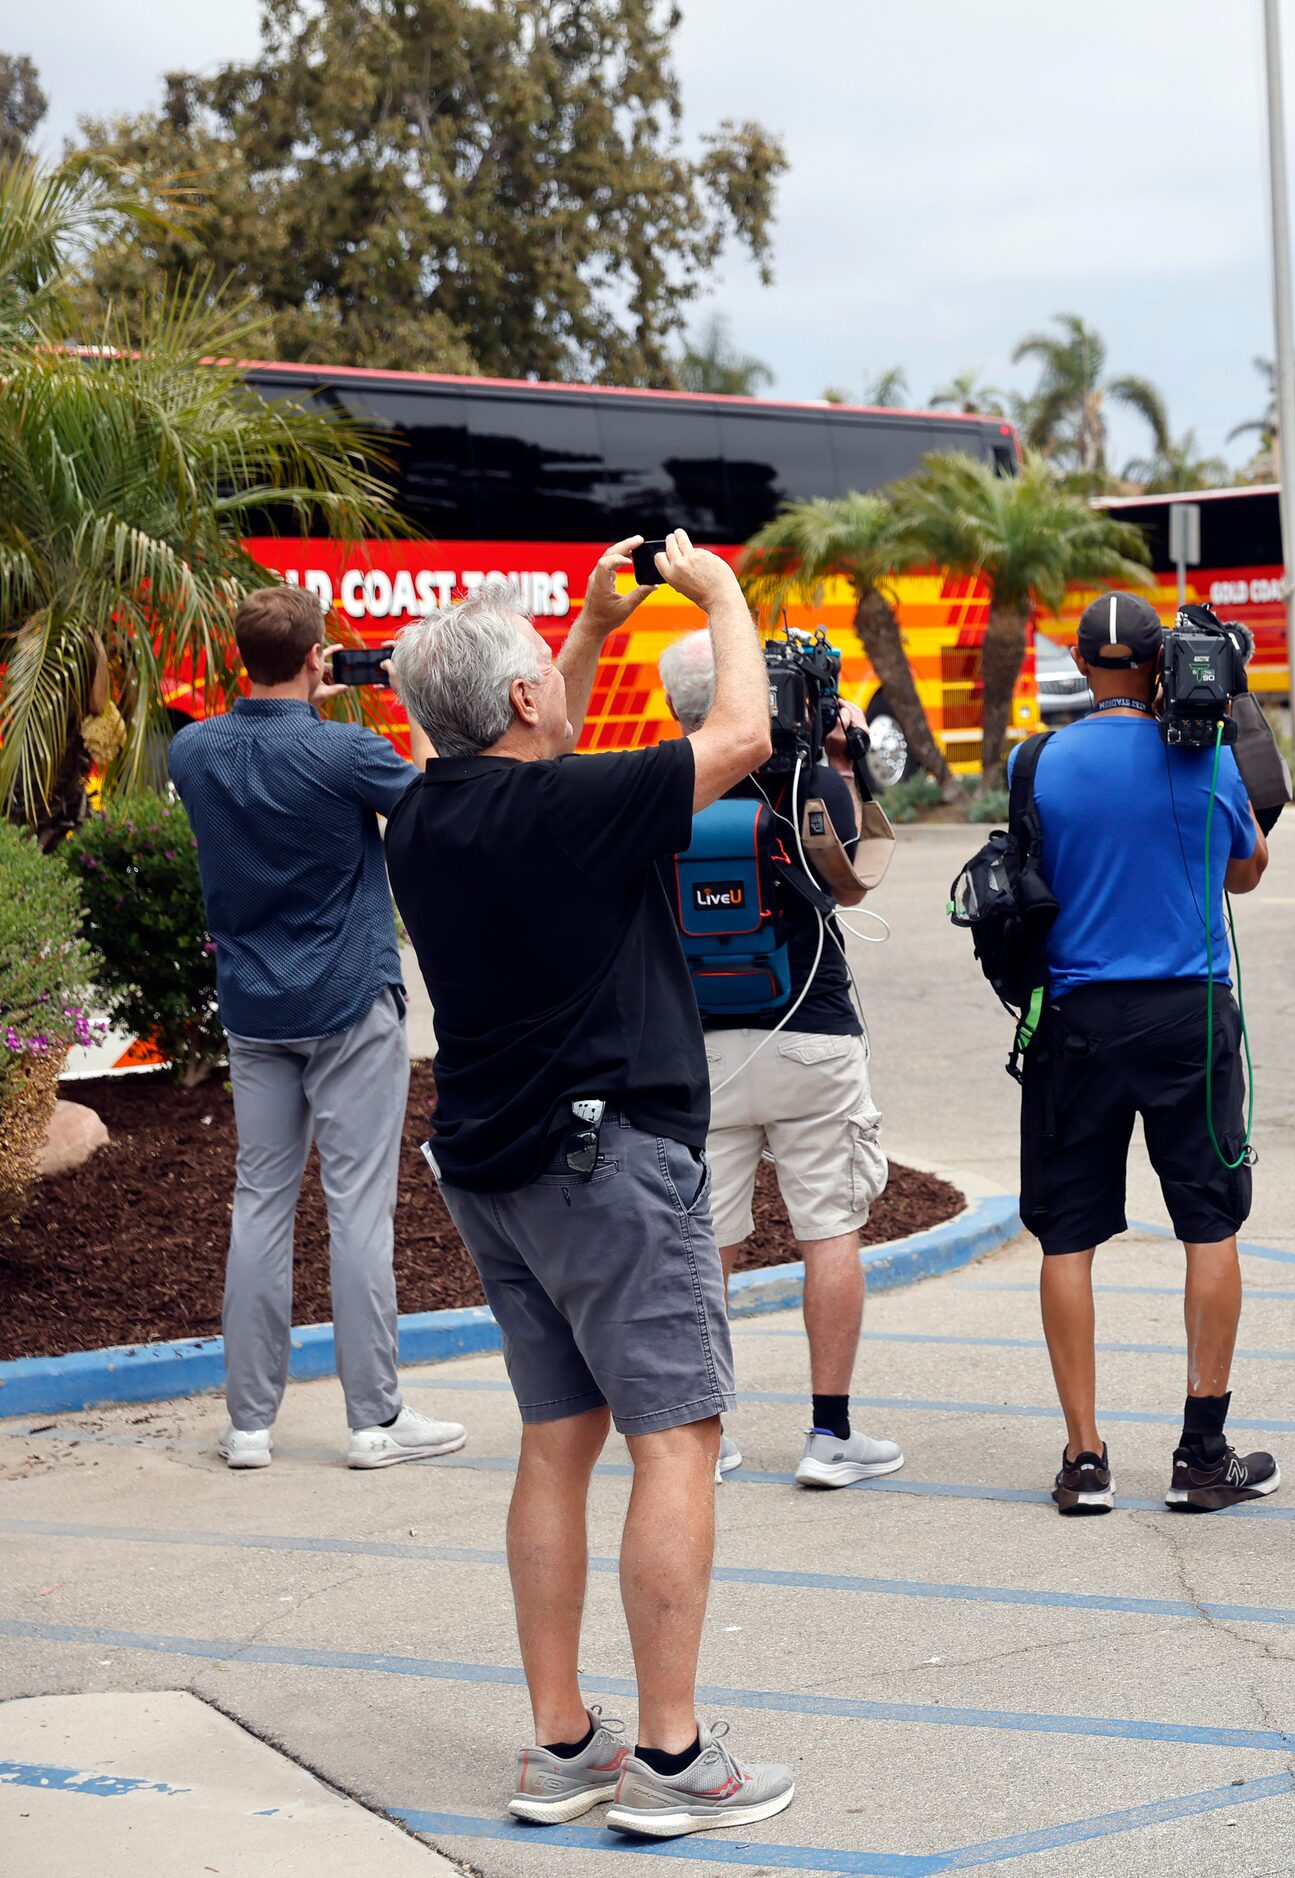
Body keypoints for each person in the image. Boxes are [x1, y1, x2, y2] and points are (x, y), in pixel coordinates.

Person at [383, 535, 793, 1839]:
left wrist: (587, 633)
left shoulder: (423, 815)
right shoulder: (566, 810)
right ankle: (669, 1762)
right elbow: (739, 731)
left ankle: (562, 1741)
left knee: (559, 1439)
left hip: (494, 1167)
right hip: (609, 1162)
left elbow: (525, 756)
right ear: (518, 704)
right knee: (675, 1439)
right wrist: (718, 596)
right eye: (543, 681)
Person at [168, 587, 468, 1474]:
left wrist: (293, 692)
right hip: (349, 1001)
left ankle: (250, 1426)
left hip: (255, 1009)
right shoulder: (346, 753)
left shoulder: (193, 750)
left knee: (259, 1204)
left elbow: (253, 738)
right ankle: (375, 1421)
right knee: (358, 1211)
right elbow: (437, 808)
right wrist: (397, 700)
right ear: (317, 656)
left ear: (238, 659)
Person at [1020, 590, 1279, 1517]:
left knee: (1068, 1235)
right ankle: (1201, 1453)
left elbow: (1028, 877)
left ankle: (1084, 1459)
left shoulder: (1037, 760)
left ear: (1085, 667)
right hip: (1188, 1015)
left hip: (1078, 1022)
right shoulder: (1203, 754)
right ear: (1162, 664)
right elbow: (1244, 871)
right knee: (1208, 1224)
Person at [655, 631, 903, 1491]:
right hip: (810, 1034)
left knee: (706, 1246)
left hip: (699, 1048)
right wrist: (845, 763)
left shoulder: (659, 780)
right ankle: (829, 1436)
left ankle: (707, 1439)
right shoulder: (806, 778)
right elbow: (856, 881)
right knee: (828, 1230)